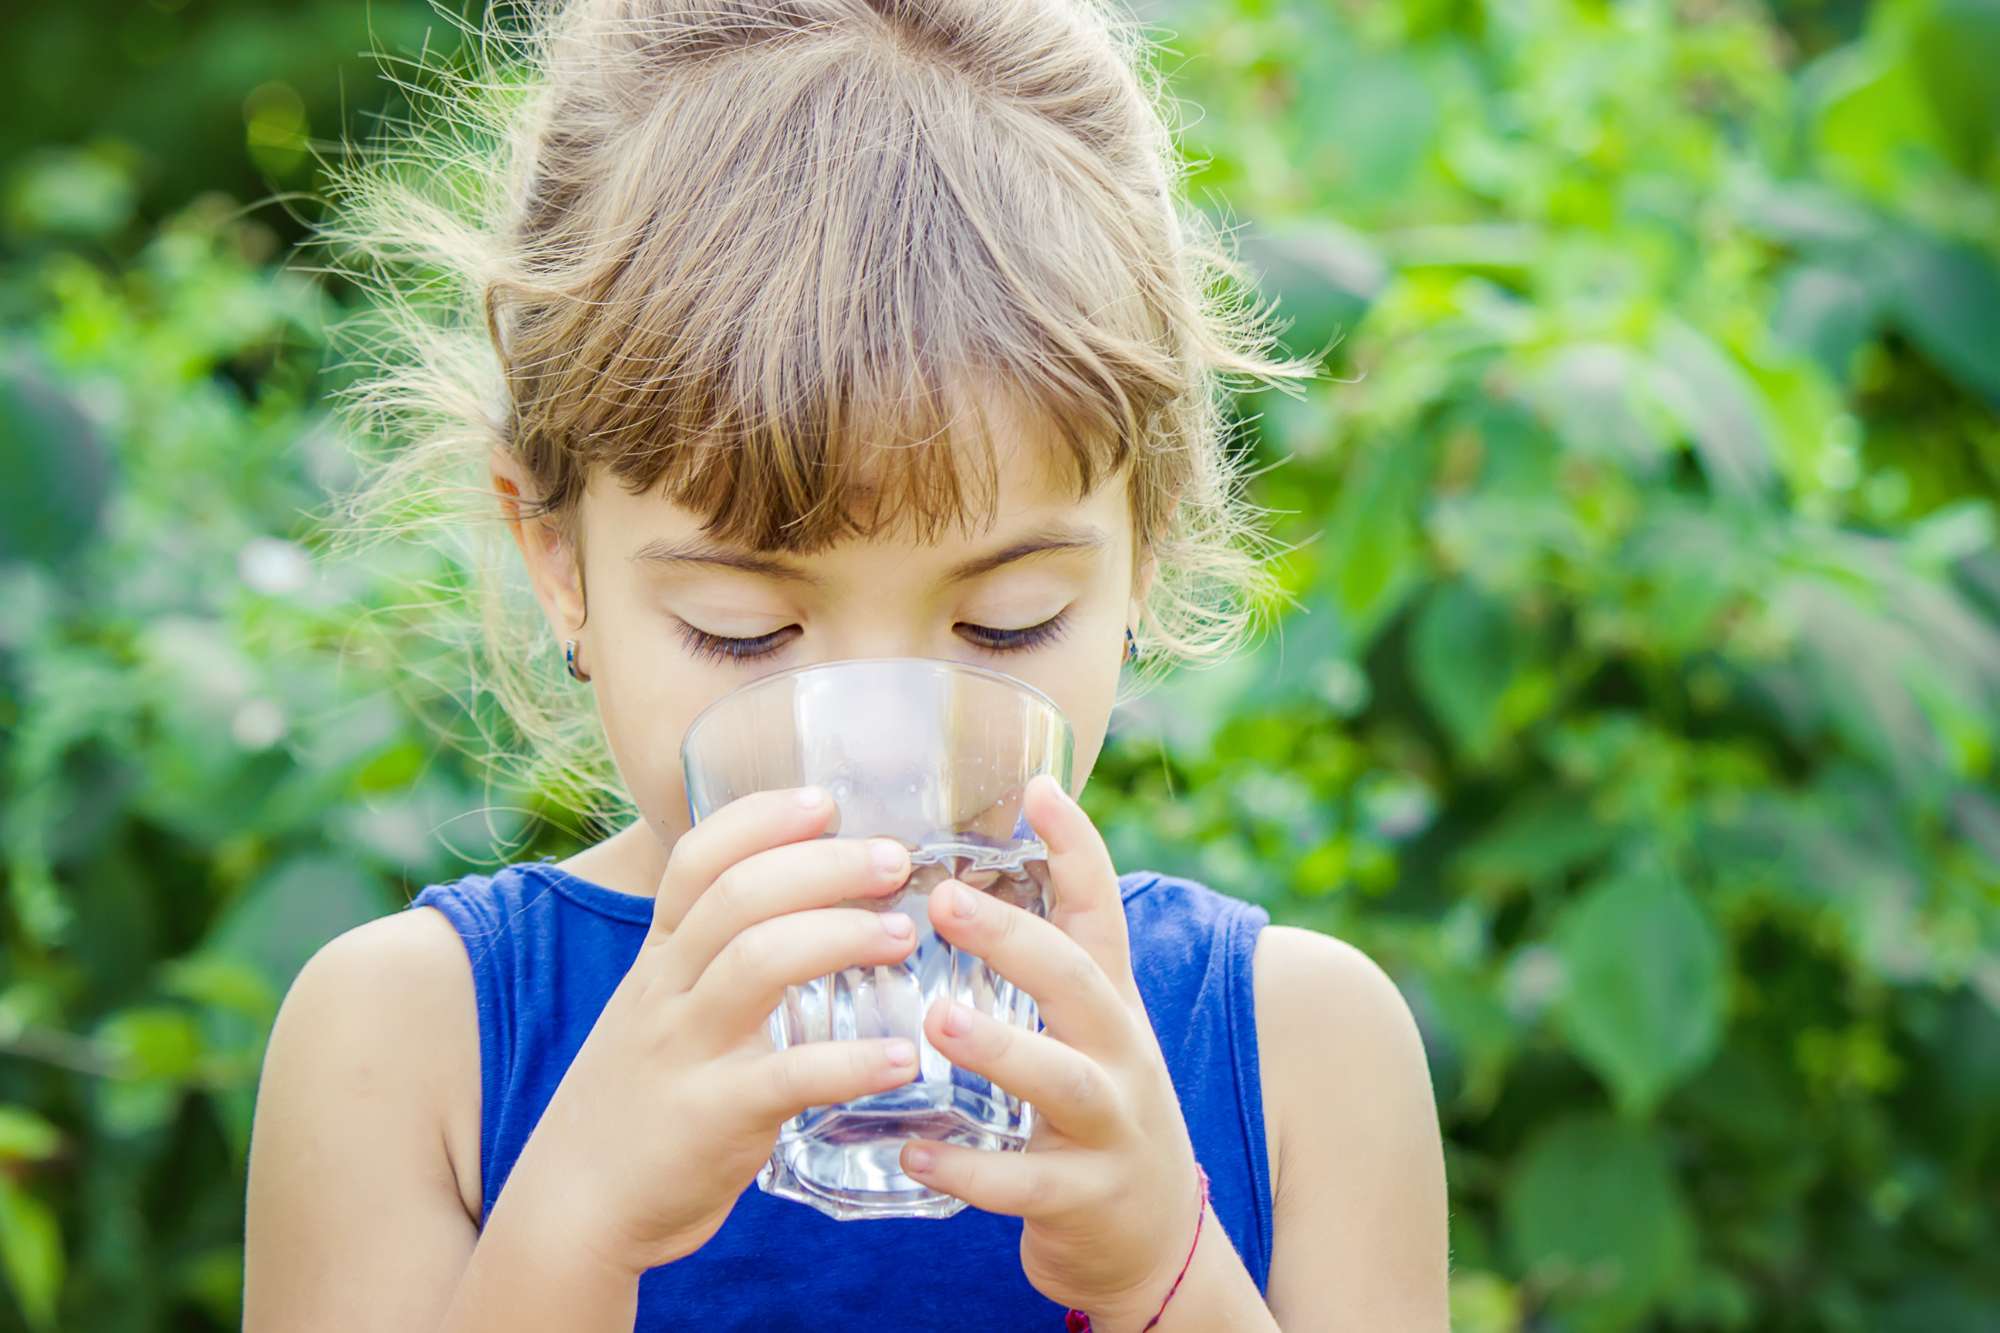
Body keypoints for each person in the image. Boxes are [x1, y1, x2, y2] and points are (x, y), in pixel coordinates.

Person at [241, 1, 1450, 1328]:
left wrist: (1168, 1267)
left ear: (1143, 550)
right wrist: (576, 1225)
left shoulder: (1301, 1055)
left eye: (1007, 620)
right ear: (560, 558)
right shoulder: (407, 1047)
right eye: (746, 631)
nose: (885, 757)